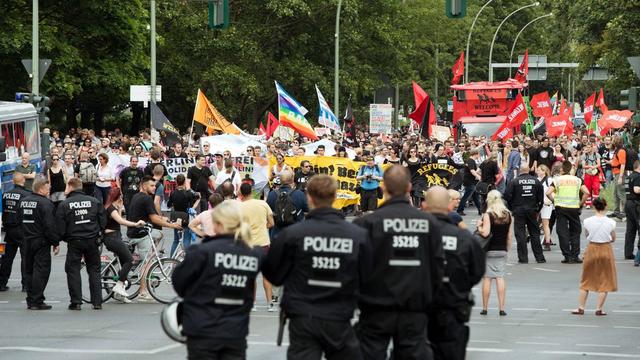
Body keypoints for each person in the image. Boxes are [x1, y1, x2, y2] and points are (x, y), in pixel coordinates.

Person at [263, 175, 371, 360]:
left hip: (303, 315)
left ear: (309, 198)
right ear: (335, 197)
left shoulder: (292, 235)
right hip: (338, 313)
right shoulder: (357, 235)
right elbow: (369, 278)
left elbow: (273, 274)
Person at [353, 165, 444, 360]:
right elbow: (437, 267)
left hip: (376, 305)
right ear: (409, 187)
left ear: (383, 186)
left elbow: (354, 268)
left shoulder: (367, 223)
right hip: (414, 305)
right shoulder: (429, 223)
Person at [172, 200, 264, 360]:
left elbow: (179, 284)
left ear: (218, 223)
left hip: (202, 328)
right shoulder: (253, 254)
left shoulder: (201, 251)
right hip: (235, 330)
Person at [422, 186, 485, 360]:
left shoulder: (414, 234)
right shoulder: (464, 238)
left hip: (417, 310)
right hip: (451, 307)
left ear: (425, 205)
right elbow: (477, 271)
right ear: (449, 206)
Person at [127, 176, 182, 301]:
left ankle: (149, 254)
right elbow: (154, 218)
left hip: (135, 232)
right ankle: (142, 292)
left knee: (159, 234)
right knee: (147, 263)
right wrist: (171, 225)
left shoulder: (137, 196)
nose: (154, 188)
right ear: (144, 185)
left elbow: (154, 215)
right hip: (140, 234)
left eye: (155, 186)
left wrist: (166, 219)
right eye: (151, 186)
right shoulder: (146, 198)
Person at [55, 178, 106, 310]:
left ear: (71, 187)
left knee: (73, 270)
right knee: (94, 270)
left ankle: (76, 301)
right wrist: (97, 233)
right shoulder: (94, 201)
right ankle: (97, 301)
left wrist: (65, 238)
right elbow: (103, 221)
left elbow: (60, 227)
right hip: (92, 240)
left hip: (75, 241)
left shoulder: (65, 204)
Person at [19, 177, 61, 310]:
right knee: (41, 271)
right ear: (41, 188)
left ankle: (30, 299)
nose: (49, 191)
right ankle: (37, 300)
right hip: (40, 241)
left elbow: (19, 220)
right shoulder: (45, 203)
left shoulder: (23, 202)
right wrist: (55, 242)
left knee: (29, 270)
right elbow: (49, 226)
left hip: (26, 240)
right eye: (47, 188)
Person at [571, 197, 617, 316]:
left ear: (593, 206)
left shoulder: (587, 221)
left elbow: (587, 234)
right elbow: (613, 238)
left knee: (586, 278)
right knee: (605, 280)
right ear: (605, 206)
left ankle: (581, 307)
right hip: (606, 249)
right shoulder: (611, 222)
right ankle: (599, 308)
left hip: (592, 248)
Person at [102, 187, 145, 300]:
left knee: (123, 263)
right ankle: (119, 286)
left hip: (115, 237)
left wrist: (120, 207)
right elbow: (121, 221)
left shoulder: (112, 207)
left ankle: (119, 293)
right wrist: (136, 224)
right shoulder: (111, 209)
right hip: (112, 238)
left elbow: (118, 220)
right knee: (130, 260)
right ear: (118, 196)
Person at [238, 183, 275, 312]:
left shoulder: (240, 207)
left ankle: (252, 303)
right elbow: (272, 223)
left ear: (241, 194)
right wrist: (263, 227)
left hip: (248, 244)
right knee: (266, 275)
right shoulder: (263, 204)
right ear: (252, 192)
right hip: (263, 243)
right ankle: (270, 303)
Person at [477, 190, 512, 316]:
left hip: (489, 249)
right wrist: (507, 249)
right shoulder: (508, 214)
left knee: (487, 278)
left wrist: (479, 227)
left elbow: (485, 233)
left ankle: (485, 308)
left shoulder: (488, 215)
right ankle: (501, 308)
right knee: (500, 277)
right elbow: (509, 235)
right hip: (502, 249)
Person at [547, 161, 590, 264]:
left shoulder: (557, 180)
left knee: (562, 232)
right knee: (575, 231)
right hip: (574, 208)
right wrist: (580, 203)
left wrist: (554, 201)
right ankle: (575, 255)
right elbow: (587, 192)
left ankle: (567, 256)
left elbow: (548, 193)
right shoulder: (578, 180)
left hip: (561, 208)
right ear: (570, 169)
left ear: (562, 169)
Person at [504, 164, 545, 264]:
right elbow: (541, 198)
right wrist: (537, 210)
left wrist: (512, 208)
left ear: (519, 171)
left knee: (520, 234)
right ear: (528, 170)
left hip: (518, 210)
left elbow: (507, 197)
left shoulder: (514, 181)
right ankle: (540, 258)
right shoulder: (536, 181)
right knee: (535, 234)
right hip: (532, 210)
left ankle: (523, 258)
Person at [0, 173, 31, 292]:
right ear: (23, 180)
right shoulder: (26, 194)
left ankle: (2, 283)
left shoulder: (5, 194)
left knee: (7, 258)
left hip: (8, 228)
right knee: (25, 257)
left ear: (13, 181)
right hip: (21, 229)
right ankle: (26, 285)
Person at [266, 169, 308, 240]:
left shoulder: (272, 194)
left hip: (276, 234)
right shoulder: (299, 194)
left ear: (280, 180)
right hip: (296, 234)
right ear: (292, 179)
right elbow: (308, 209)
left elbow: (268, 213)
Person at [167, 174, 200, 257]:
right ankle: (186, 259)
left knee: (176, 240)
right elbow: (196, 200)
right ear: (184, 182)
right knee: (187, 239)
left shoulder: (173, 193)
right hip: (186, 217)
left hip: (176, 218)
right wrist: (194, 205)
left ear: (176, 182)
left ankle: (172, 259)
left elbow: (169, 205)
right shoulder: (188, 193)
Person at [457, 149, 482, 216]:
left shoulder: (471, 161)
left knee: (475, 196)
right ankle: (459, 210)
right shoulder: (470, 161)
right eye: (478, 154)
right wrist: (478, 177)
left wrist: (479, 174)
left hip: (471, 181)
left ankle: (480, 210)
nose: (479, 155)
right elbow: (472, 171)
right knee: (466, 196)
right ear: (475, 154)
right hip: (469, 181)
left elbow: (475, 171)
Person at [624, 160, 640, 261]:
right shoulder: (638, 176)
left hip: (628, 203)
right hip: (636, 204)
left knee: (630, 230)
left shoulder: (628, 177)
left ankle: (628, 253)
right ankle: (639, 255)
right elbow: (637, 189)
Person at [536, 165, 554, 251]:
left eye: (539, 170)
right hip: (537, 204)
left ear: (544, 171)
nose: (537, 172)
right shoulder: (536, 180)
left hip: (546, 204)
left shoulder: (549, 180)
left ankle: (547, 242)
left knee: (545, 224)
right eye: (538, 170)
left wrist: (551, 201)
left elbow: (553, 191)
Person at [610, 136, 627, 220]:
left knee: (621, 194)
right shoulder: (617, 150)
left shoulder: (621, 151)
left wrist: (620, 177)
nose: (611, 141)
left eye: (613, 140)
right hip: (616, 174)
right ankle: (616, 211)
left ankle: (624, 212)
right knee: (615, 193)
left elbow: (623, 164)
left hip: (620, 174)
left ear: (616, 141)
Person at [581, 143, 601, 209]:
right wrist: (589, 166)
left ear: (592, 148)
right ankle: (588, 203)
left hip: (595, 174)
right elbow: (583, 166)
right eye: (587, 147)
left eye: (589, 147)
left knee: (596, 188)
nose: (587, 149)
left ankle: (595, 203)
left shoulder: (597, 155)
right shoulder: (584, 155)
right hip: (588, 174)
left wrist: (594, 167)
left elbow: (599, 164)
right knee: (588, 189)